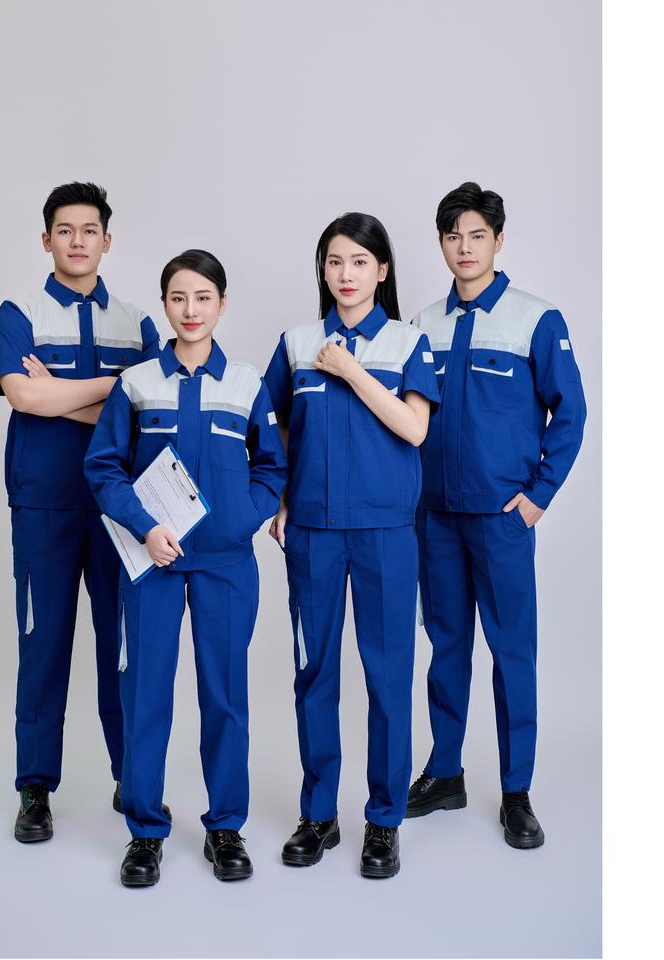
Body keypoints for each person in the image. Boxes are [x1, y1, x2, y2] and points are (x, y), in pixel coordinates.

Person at [85, 249, 287, 887]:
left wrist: (241, 520)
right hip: (153, 563)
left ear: (222, 304)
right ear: (165, 305)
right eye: (178, 298)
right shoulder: (138, 382)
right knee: (145, 694)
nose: (190, 310)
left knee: (224, 695)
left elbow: (272, 467)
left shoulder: (246, 383)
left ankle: (225, 827)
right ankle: (145, 832)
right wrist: (145, 526)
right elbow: (103, 467)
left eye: (203, 298)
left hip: (225, 565)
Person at [405, 181, 588, 849]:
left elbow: (571, 413)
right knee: (446, 647)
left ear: (498, 240)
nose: (465, 247)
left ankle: (516, 791)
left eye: (477, 235)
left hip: (502, 520)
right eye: (453, 236)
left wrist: (537, 498)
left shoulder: (536, 320)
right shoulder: (422, 325)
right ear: (441, 244)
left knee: (512, 653)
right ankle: (445, 772)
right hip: (435, 518)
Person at [264, 213, 440, 879]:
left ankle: (384, 820)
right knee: (315, 673)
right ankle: (319, 816)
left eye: (360, 262)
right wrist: (283, 497)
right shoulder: (296, 343)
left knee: (388, 678)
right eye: (335, 261)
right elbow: (278, 429)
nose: (346, 274)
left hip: (385, 534)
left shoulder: (408, 342)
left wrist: (351, 368)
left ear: (382, 270)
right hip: (313, 532)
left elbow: (414, 429)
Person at [0, 181, 161, 843]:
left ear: (107, 241)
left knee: (124, 649)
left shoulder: (138, 323)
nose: (78, 241)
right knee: (43, 644)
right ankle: (35, 789)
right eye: (65, 230)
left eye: (89, 230)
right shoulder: (19, 312)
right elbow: (24, 399)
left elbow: (143, 417)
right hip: (44, 505)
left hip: (119, 509)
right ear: (46, 239)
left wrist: (60, 391)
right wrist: (113, 388)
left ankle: (130, 778)